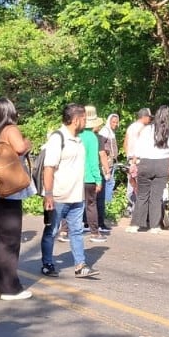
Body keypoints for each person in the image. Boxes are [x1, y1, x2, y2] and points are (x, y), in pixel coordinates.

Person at [0, 97, 33, 299]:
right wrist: (28, 143)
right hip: (9, 192)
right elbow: (19, 148)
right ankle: (10, 288)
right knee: (9, 241)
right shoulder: (10, 129)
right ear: (10, 111)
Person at [40, 103, 102, 278]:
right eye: (84, 119)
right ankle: (47, 264)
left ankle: (80, 265)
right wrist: (49, 195)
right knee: (51, 231)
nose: (85, 122)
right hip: (58, 196)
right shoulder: (58, 138)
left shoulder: (79, 139)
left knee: (76, 231)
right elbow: (48, 168)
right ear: (76, 120)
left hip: (76, 196)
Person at [127, 106, 169, 233]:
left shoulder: (147, 129)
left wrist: (133, 163)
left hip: (146, 162)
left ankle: (135, 224)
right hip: (163, 163)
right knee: (156, 196)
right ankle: (154, 226)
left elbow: (138, 148)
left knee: (142, 195)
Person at [81, 107, 111, 242]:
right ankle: (94, 232)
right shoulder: (94, 138)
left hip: (75, 176)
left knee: (71, 204)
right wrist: (99, 178)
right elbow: (95, 160)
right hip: (89, 177)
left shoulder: (74, 135)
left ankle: (64, 231)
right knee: (91, 204)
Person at [123, 108, 152, 206]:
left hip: (130, 160)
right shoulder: (144, 129)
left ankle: (131, 207)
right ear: (144, 117)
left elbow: (125, 144)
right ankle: (140, 208)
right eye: (149, 117)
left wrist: (129, 156)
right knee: (141, 186)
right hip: (140, 160)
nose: (149, 120)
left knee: (131, 184)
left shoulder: (130, 127)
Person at [99, 113, 119, 230]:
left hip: (111, 162)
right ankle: (106, 205)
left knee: (110, 183)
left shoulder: (111, 132)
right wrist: (106, 157)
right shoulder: (105, 131)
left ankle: (107, 206)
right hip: (106, 162)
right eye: (113, 122)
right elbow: (101, 146)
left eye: (116, 122)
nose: (115, 124)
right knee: (108, 183)